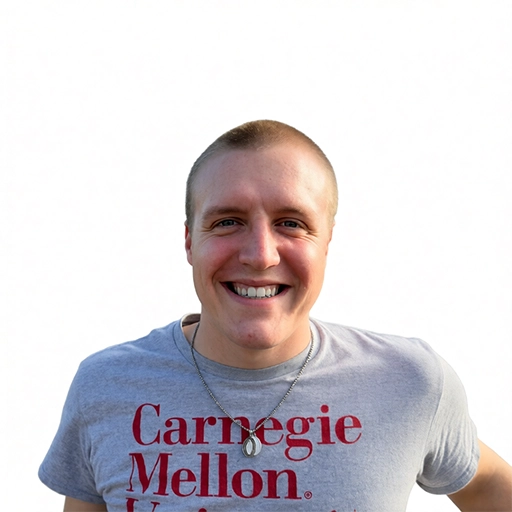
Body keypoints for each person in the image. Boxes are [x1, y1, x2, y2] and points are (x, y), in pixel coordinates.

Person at [39, 120, 512, 511]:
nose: (261, 254)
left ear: (327, 242)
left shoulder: (410, 381)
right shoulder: (106, 386)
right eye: (227, 221)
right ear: (189, 242)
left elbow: (489, 487)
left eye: (291, 223)